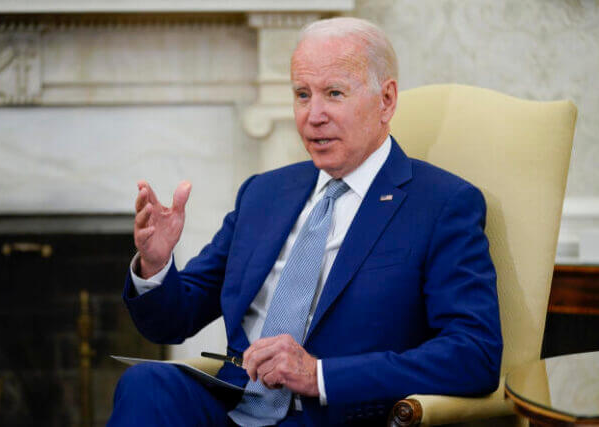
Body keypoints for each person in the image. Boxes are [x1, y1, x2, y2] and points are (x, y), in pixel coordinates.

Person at [108, 17, 502, 426]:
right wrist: (155, 265)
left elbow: (475, 354)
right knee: (146, 383)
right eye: (302, 94)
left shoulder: (442, 204)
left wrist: (320, 376)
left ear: (386, 100)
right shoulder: (263, 193)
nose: (313, 116)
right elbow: (173, 321)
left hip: (335, 416)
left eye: (334, 93)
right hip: (236, 408)